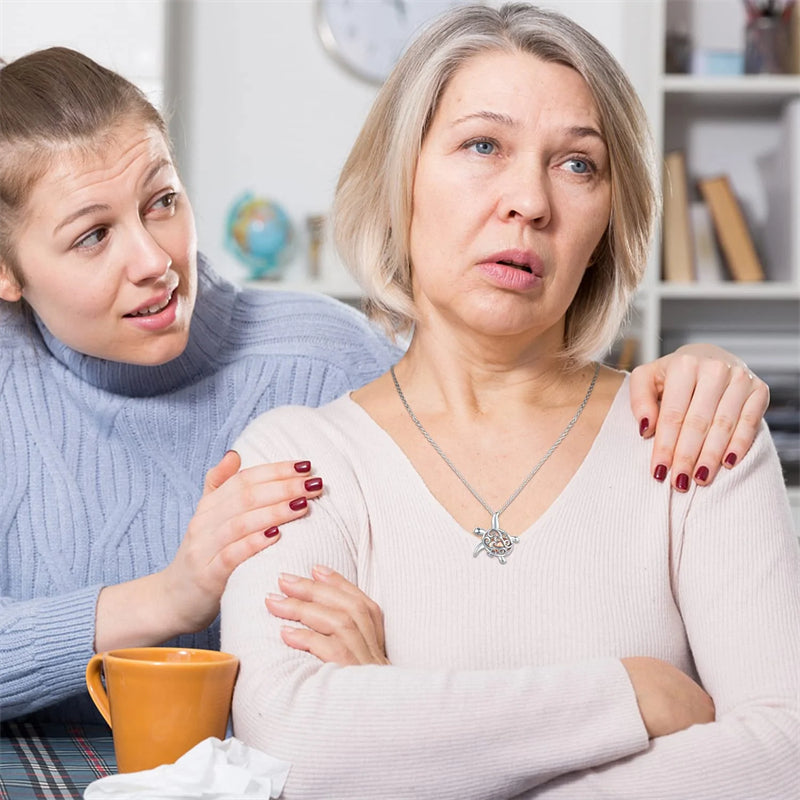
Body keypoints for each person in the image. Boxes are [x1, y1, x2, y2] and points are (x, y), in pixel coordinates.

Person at [0, 45, 769, 726]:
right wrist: (169, 597)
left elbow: (482, 385)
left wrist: (704, 367)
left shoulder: (328, 363)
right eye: (93, 235)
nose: (153, 260)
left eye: (162, 202)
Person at [220, 4, 800, 799]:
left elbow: (782, 756)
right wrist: (627, 695)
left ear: (605, 221)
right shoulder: (298, 459)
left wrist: (410, 748)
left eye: (577, 165)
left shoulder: (699, 433)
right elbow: (293, 742)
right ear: (403, 180)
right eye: (483, 145)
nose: (529, 200)